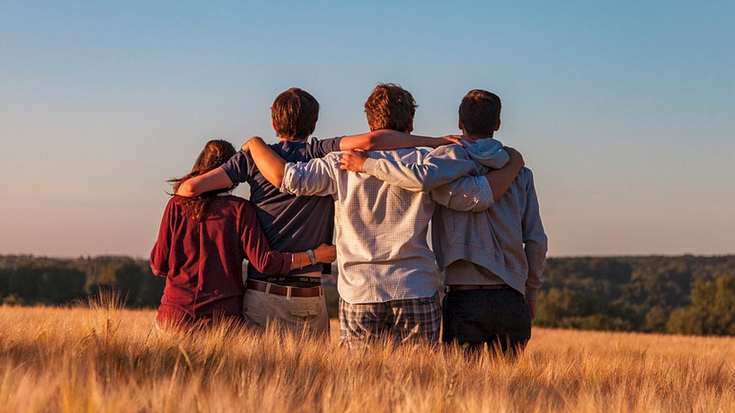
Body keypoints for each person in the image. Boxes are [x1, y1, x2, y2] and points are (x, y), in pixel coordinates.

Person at [246, 83, 524, 350]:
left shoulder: (339, 162)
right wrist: (513, 164)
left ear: (369, 124)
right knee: (420, 384)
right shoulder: (427, 163)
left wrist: (255, 144)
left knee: (360, 385)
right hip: (415, 287)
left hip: (359, 290)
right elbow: (475, 197)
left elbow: (290, 180)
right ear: (411, 124)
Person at [175, 88, 461, 336]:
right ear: (314, 124)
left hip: (263, 292)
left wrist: (251, 148)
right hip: (311, 295)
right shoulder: (321, 151)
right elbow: (373, 142)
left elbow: (188, 190)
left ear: (274, 123)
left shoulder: (252, 158)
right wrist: (434, 141)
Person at [341, 89, 547, 355]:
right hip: (511, 297)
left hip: (463, 298)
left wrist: (368, 164)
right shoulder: (520, 173)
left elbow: (422, 180)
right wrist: (531, 293)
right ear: (497, 124)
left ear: (460, 123)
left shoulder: (442, 164)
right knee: (510, 391)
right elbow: (536, 240)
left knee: (460, 388)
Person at [150, 139, 336, 329]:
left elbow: (159, 266)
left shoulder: (176, 205)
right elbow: (265, 263)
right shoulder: (240, 210)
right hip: (222, 320)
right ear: (233, 172)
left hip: (174, 316)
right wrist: (315, 255)